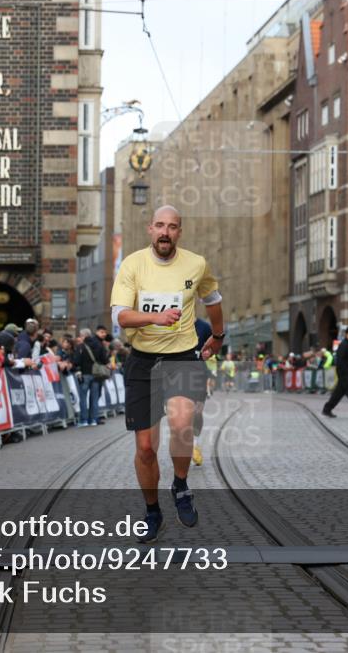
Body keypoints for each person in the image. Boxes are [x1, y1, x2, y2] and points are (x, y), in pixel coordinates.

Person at [110, 205, 224, 543]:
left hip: (182, 357)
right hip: (143, 360)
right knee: (145, 447)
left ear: (179, 232)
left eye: (172, 227)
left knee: (182, 423)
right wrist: (154, 319)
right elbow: (121, 316)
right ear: (150, 229)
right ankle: (152, 511)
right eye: (160, 225)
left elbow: (214, 299)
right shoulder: (132, 264)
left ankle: (180, 485)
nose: (165, 232)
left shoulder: (196, 264)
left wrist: (218, 337)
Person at [190, 318, 213, 467]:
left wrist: (209, 352)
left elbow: (215, 346)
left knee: (197, 412)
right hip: (176, 376)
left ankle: (195, 443)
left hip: (198, 375)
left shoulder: (204, 327)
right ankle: (185, 446)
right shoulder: (171, 321)